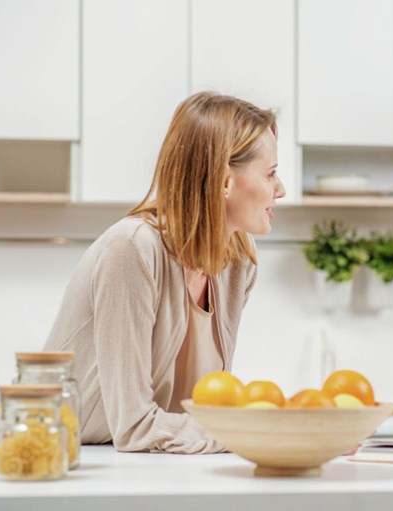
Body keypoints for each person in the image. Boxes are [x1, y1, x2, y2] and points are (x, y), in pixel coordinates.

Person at [42, 92, 285, 453]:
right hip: (49, 464)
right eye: (271, 174)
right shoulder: (131, 249)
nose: (280, 190)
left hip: (140, 468)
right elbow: (135, 426)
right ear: (224, 181)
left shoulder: (237, 266)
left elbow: (201, 411)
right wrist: (253, 434)